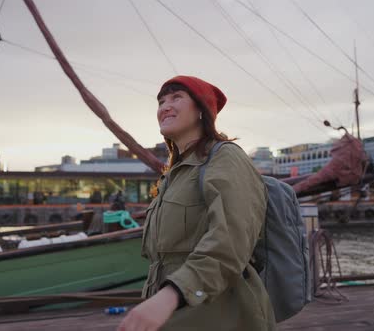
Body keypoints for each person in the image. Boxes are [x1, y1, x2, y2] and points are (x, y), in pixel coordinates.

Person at [117, 76, 275, 331]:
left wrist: (171, 295)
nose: (165, 106)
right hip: (176, 317)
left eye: (176, 97)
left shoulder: (225, 158)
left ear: (201, 110)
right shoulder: (174, 175)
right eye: (161, 101)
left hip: (220, 316)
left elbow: (232, 240)